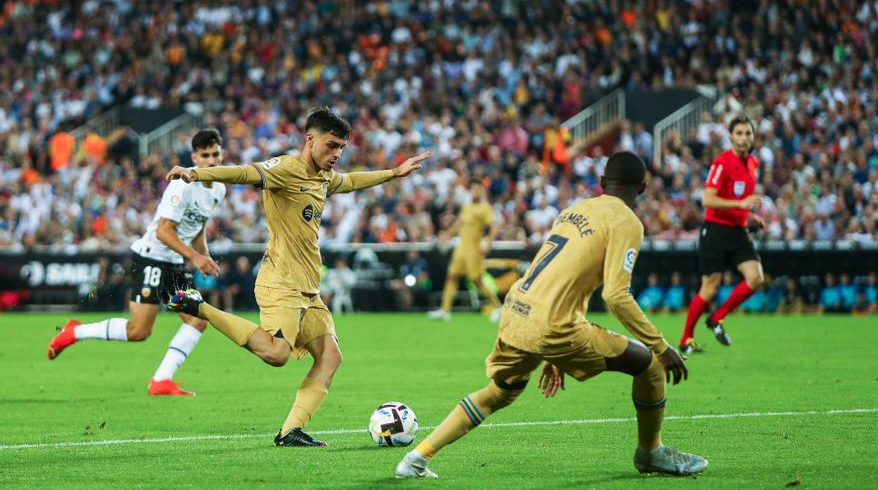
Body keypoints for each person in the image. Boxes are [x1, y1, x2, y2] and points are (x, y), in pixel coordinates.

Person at [396, 152, 705, 479]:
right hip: (553, 324)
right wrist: (661, 345)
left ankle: (416, 458)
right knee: (650, 364)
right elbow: (616, 295)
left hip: (517, 309)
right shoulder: (626, 222)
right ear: (643, 187)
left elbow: (565, 277)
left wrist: (554, 353)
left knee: (499, 392)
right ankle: (651, 453)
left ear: (601, 183)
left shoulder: (574, 210)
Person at [164, 107, 430, 447]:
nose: (336, 155)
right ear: (310, 139)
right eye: (331, 146)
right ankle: (200, 307)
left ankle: (290, 431)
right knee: (277, 354)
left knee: (331, 356)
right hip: (281, 280)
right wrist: (197, 174)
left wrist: (393, 173)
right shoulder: (286, 169)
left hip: (308, 286)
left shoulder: (323, 176)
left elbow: (349, 182)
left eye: (341, 149)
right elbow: (245, 173)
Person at [47, 129, 227, 396]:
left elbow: (198, 227)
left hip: (175, 263)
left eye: (215, 154)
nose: (212, 160)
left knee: (197, 320)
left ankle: (162, 380)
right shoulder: (182, 184)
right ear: (194, 157)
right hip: (152, 257)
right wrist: (195, 256)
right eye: (205, 155)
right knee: (139, 331)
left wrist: (205, 256)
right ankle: (75, 331)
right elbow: (164, 231)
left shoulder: (219, 188)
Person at [678, 115, 764, 354]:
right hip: (715, 230)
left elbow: (740, 202)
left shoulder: (753, 163)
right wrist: (742, 204)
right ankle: (686, 339)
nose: (744, 138)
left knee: (756, 278)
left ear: (753, 136)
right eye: (739, 133)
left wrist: (749, 218)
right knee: (710, 289)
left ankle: (717, 317)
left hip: (737, 230)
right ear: (731, 136)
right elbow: (707, 198)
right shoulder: (722, 162)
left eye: (748, 133)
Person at [428, 179, 502, 322]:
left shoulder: (484, 208)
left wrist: (488, 243)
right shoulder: (467, 207)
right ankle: (445, 310)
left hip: (474, 250)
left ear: (481, 191)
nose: (474, 191)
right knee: (451, 275)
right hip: (461, 248)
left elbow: (493, 226)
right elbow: (459, 224)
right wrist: (447, 234)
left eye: (477, 189)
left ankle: (498, 306)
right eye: (472, 189)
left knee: (477, 281)